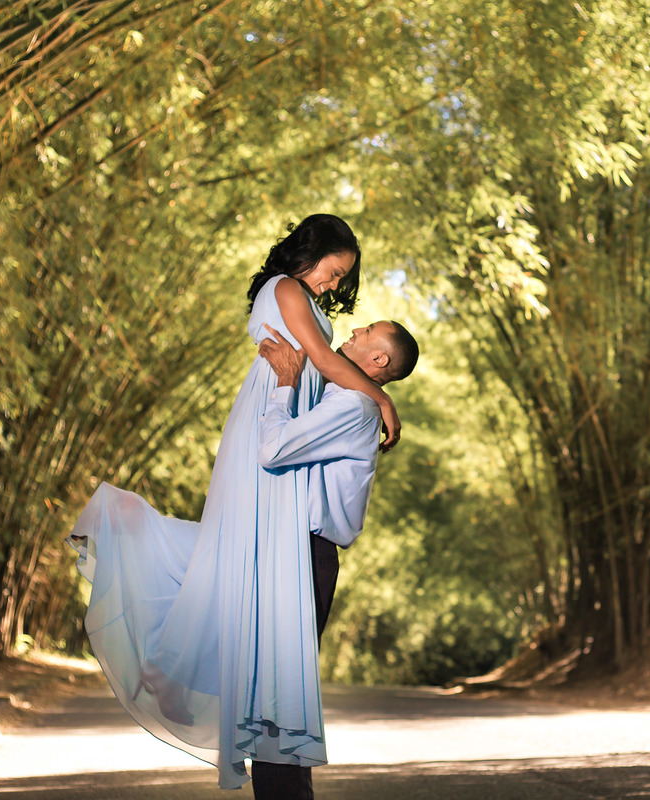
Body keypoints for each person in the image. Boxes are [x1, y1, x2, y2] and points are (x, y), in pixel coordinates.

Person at [68, 214, 402, 790]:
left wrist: (362, 392)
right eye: (333, 271)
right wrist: (382, 399)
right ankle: (174, 674)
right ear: (311, 253)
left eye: (341, 279)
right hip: (270, 427)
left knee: (237, 583)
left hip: (282, 429)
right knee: (240, 581)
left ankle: (180, 681)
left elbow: (325, 365)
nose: (333, 285)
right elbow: (323, 362)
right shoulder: (285, 288)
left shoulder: (316, 316)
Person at [249, 319, 419, 800]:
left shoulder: (353, 404)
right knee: (270, 691)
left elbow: (273, 449)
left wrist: (284, 382)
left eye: (366, 330)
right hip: (292, 549)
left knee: (279, 696)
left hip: (306, 555)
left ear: (379, 360)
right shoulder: (351, 396)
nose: (353, 328)